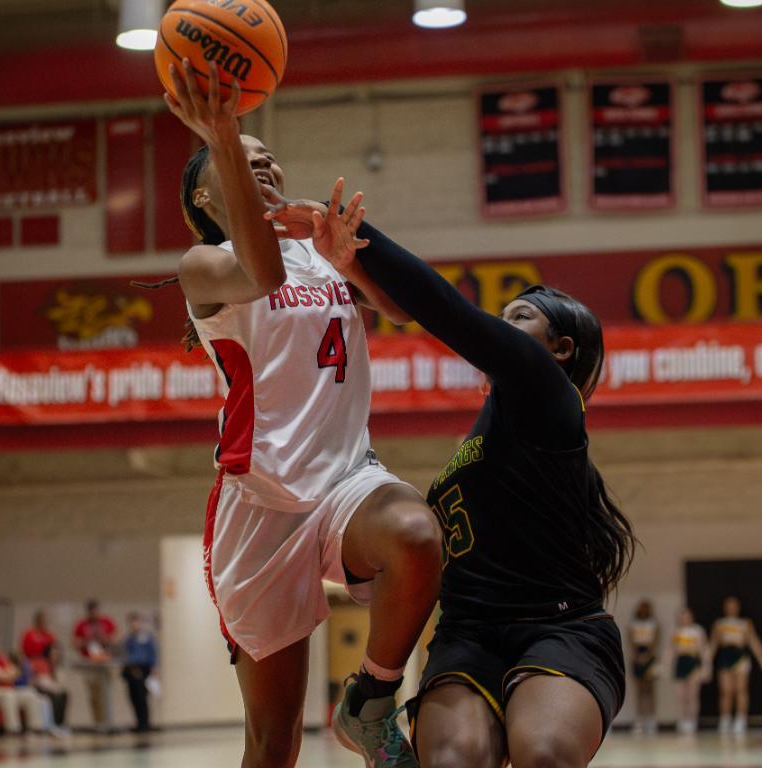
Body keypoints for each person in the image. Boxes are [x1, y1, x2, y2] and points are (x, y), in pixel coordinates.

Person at [267, 196, 635, 768]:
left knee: (543, 754)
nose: (500, 329)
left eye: (518, 319)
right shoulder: (485, 432)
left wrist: (360, 239)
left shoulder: (550, 395)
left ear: (560, 349)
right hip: (468, 635)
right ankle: (372, 708)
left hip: (560, 628)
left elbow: (443, 309)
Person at [163, 58, 443, 768]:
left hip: (347, 479)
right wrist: (222, 131)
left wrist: (351, 262)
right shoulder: (204, 263)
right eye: (242, 159)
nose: (264, 166)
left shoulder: (321, 253)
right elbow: (263, 275)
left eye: (270, 158)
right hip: (259, 501)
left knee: (415, 533)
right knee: (274, 735)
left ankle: (370, 702)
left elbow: (406, 311)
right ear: (204, 194)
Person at [708, 596, 762, 734]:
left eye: (734, 605)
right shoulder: (719, 624)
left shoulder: (745, 623)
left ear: (738, 607)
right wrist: (706, 663)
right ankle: (725, 719)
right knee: (726, 691)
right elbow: (713, 644)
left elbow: (754, 642)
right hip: (725, 656)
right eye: (729, 605)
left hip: (740, 657)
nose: (731, 607)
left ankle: (741, 719)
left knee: (741, 689)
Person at [0, 629, 47, 736]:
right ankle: (13, 731)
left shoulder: (0, 657)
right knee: (8, 695)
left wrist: (6, 674)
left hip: (1, 691)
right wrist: (7, 674)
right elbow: (5, 676)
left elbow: (15, 672)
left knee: (30, 693)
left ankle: (35, 729)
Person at [21, 609, 69, 729]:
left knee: (63, 693)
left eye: (47, 620)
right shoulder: (29, 634)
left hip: (47, 672)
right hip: (37, 673)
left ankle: (60, 724)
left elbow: (56, 652)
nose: (46, 622)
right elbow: (25, 654)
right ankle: (51, 725)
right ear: (37, 621)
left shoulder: (50, 636)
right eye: (43, 620)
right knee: (51, 694)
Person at [73, 600, 116, 729]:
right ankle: (97, 723)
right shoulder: (82, 625)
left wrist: (104, 638)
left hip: (103, 663)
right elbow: (75, 643)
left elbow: (115, 639)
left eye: (95, 611)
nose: (94, 614)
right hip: (89, 664)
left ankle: (107, 722)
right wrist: (87, 640)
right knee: (94, 696)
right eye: (91, 611)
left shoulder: (106, 622)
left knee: (105, 694)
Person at [671, 608, 709, 735]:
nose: (684, 619)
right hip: (681, 663)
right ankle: (682, 720)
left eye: (687, 617)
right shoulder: (676, 632)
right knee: (681, 695)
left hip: (693, 663)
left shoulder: (697, 631)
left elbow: (703, 650)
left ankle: (692, 720)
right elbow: (670, 650)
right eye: (682, 617)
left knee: (692, 694)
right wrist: (664, 666)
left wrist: (705, 668)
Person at [121, 612, 158, 733]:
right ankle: (138, 722)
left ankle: (145, 723)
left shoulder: (147, 637)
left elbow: (152, 652)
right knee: (133, 698)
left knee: (143, 697)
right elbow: (125, 654)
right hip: (131, 670)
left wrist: (153, 667)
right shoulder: (128, 639)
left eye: (136, 622)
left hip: (144, 669)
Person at [628, 599, 660, 735]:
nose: (643, 610)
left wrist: (647, 656)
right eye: (641, 607)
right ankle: (640, 720)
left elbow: (656, 641)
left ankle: (651, 719)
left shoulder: (654, 624)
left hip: (650, 657)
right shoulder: (633, 624)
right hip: (637, 656)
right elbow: (630, 641)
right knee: (639, 690)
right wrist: (637, 656)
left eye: (646, 607)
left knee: (650, 689)